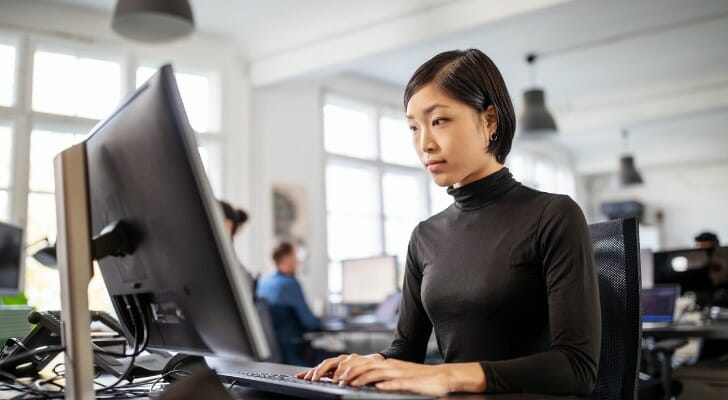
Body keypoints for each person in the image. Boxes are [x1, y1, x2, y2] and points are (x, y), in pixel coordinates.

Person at [297, 49, 601, 396]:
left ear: (489, 121)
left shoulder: (553, 215)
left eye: (439, 121)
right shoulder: (425, 236)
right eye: (413, 127)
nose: (424, 143)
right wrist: (368, 363)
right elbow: (406, 351)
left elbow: (576, 368)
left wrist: (448, 375)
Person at [256, 241, 321, 365]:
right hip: (293, 354)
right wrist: (320, 318)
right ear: (287, 259)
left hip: (270, 353)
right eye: (295, 256)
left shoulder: (262, 282)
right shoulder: (290, 284)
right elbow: (311, 323)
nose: (298, 261)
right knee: (342, 355)